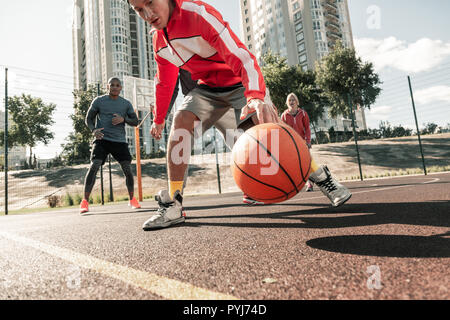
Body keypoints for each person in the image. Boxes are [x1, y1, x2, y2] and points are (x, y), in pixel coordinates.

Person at [128, 0, 351, 230]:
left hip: (238, 84)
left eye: (150, 2)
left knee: (266, 129)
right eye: (138, 9)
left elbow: (242, 56)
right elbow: (164, 83)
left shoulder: (198, 14)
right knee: (181, 120)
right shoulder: (159, 41)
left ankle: (320, 175)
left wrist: (255, 96)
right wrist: (158, 119)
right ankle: (174, 203)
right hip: (207, 89)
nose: (147, 13)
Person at [80, 77, 141, 213]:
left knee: (127, 169)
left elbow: (135, 121)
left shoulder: (126, 104)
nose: (114, 87)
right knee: (94, 165)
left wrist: (123, 119)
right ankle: (84, 202)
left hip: (119, 141)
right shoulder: (99, 101)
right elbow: (88, 118)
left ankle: (132, 200)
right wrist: (93, 130)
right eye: (112, 85)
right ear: (107, 87)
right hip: (102, 139)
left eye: (117, 85)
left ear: (120, 88)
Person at [281, 93, 314, 192]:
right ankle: (296, 184)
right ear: (287, 102)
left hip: (302, 142)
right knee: (293, 165)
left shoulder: (303, 113)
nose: (291, 102)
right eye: (290, 100)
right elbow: (283, 131)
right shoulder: (284, 115)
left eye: (293, 100)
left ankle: (309, 184)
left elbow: (307, 128)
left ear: (297, 102)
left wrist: (308, 141)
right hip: (291, 144)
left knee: (307, 163)